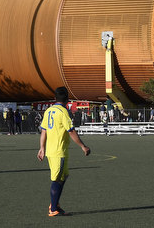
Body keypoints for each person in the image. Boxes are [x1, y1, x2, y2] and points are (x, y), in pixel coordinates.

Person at [37, 86, 91, 217]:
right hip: (58, 151)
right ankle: (53, 208)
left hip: (53, 150)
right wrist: (83, 146)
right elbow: (71, 131)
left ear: (55, 98)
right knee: (56, 179)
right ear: (67, 99)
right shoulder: (63, 112)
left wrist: (42, 148)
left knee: (63, 176)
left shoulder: (49, 110)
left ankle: (55, 205)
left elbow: (43, 131)